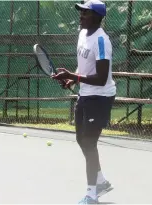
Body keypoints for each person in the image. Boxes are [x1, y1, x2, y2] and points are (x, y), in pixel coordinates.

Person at [52, 0, 116, 204]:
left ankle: (91, 194)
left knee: (89, 143)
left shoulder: (101, 41)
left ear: (97, 18)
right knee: (81, 139)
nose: (81, 16)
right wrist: (73, 77)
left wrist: (74, 76)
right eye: (81, 12)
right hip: (86, 94)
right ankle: (100, 181)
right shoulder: (82, 35)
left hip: (101, 96)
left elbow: (102, 78)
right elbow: (85, 67)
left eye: (86, 13)